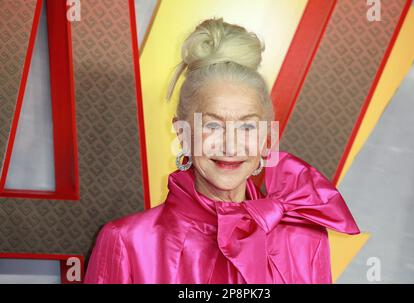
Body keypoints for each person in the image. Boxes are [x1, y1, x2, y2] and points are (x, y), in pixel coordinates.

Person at [84, 17, 360, 284]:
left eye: (247, 127)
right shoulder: (126, 241)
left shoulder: (305, 240)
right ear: (182, 133)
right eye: (213, 126)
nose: (230, 145)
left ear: (266, 137)